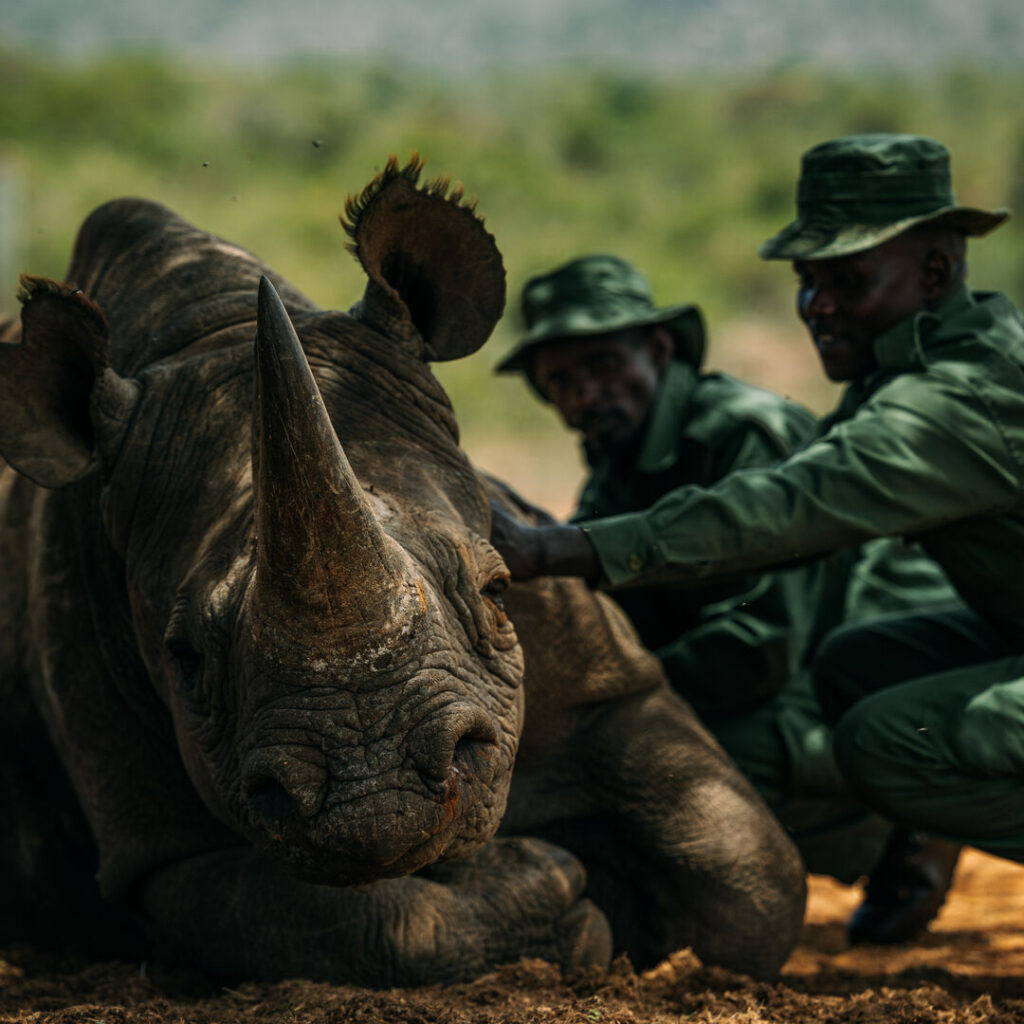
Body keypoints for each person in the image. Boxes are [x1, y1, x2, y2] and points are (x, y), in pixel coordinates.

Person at [494, 246, 962, 943]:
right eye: (560, 381)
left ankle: (906, 817)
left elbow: (762, 646)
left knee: (653, 782)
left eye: (602, 366)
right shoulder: (617, 468)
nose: (584, 395)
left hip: (864, 685)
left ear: (656, 350)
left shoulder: (744, 435)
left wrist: (608, 718)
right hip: (793, 678)